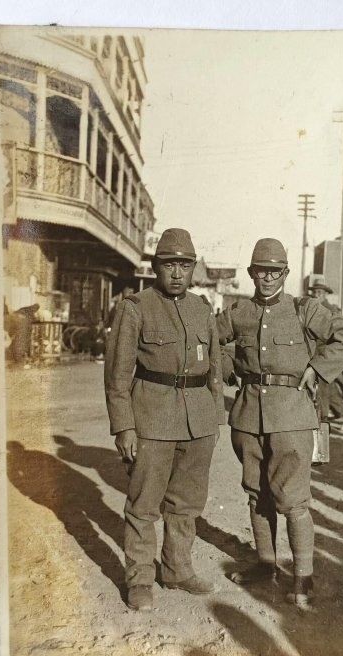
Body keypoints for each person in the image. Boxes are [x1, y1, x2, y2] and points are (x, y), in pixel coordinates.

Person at [217, 238, 343, 606]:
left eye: (275, 272)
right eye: (261, 271)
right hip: (248, 418)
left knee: (293, 501)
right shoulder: (239, 312)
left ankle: (303, 576)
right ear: (251, 273)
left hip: (292, 419)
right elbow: (207, 339)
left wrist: (317, 369)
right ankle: (266, 565)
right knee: (256, 495)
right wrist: (228, 366)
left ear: (285, 273)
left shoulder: (304, 309)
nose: (267, 278)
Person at [104, 228, 225, 612]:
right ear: (156, 267)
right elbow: (118, 374)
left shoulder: (202, 308)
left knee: (187, 503)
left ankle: (177, 569)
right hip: (152, 419)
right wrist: (124, 426)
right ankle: (140, 579)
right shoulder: (136, 307)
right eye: (169, 265)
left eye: (184, 266)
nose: (176, 273)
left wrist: (215, 418)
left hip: (197, 421)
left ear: (193, 268)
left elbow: (216, 368)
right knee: (144, 505)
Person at [309, 281, 343, 430]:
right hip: (313, 353)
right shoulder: (310, 308)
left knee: (322, 389)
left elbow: (339, 333)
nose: (315, 295)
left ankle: (322, 420)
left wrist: (331, 354)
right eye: (314, 292)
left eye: (319, 292)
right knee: (328, 388)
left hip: (325, 355)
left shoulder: (330, 310)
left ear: (325, 294)